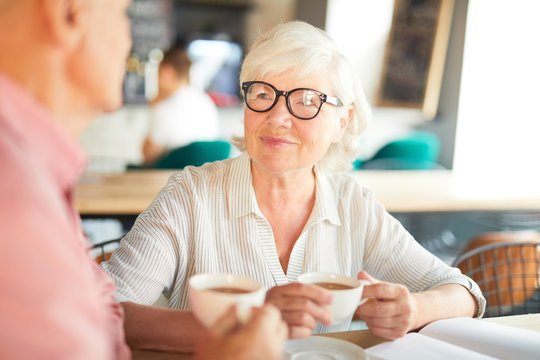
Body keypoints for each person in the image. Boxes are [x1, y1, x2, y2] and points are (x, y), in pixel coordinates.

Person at [102, 19, 486, 352]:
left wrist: (414, 310)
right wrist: (251, 322)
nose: (277, 118)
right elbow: (104, 312)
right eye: (263, 94)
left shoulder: (353, 205)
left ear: (341, 120)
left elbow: (463, 291)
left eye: (306, 100)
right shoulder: (189, 197)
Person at [0, 0, 286, 359]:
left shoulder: (38, 173)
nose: (129, 41)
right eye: (121, 12)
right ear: (68, 13)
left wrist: (227, 332)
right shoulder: (16, 202)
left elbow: (105, 311)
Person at [142, 44, 220, 165]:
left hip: (171, 180)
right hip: (207, 180)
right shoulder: (207, 102)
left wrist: (153, 108)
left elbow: (148, 157)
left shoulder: (165, 108)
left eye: (157, 73)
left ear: (167, 73)